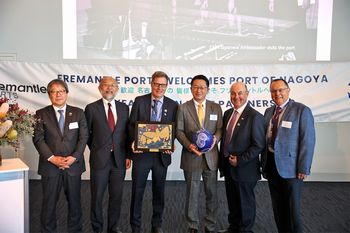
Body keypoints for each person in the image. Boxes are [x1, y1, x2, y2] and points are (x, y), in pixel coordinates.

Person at [33, 79, 88, 233]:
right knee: (49, 204)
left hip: (73, 166)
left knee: (75, 203)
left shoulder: (78, 112)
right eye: (54, 91)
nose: (58, 94)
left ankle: (75, 230)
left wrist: (74, 157)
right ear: (49, 95)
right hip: (50, 167)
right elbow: (38, 139)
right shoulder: (41, 114)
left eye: (61, 91)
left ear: (67, 93)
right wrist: (52, 158)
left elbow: (83, 138)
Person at [262, 79, 316, 233]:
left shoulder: (301, 110)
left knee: (293, 211)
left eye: (280, 90)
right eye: (273, 91)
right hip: (272, 165)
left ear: (288, 90)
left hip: (292, 169)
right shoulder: (268, 112)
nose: (277, 93)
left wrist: (303, 167)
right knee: (278, 208)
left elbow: (308, 141)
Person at [128, 71, 178, 233]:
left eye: (163, 84)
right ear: (151, 84)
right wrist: (134, 140)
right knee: (137, 191)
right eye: (156, 84)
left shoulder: (173, 105)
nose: (159, 87)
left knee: (159, 191)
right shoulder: (139, 101)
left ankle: (157, 224)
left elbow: (174, 128)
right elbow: (131, 125)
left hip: (161, 156)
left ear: (167, 86)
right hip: (142, 155)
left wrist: (172, 142)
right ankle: (135, 225)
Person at [176, 74, 223, 233]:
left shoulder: (215, 107)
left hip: (211, 157)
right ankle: (192, 225)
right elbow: (179, 131)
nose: (198, 90)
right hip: (191, 156)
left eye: (202, 87)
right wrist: (189, 145)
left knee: (212, 193)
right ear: (191, 89)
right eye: (195, 87)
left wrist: (215, 139)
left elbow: (220, 129)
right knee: (192, 194)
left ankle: (210, 225)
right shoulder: (183, 108)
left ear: (208, 90)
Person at [85, 76, 131, 233]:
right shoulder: (91, 108)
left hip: (119, 160)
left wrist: (128, 155)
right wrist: (98, 150)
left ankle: (113, 227)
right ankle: (97, 228)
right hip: (99, 160)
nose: (109, 88)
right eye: (105, 85)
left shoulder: (124, 108)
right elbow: (87, 135)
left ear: (117, 89)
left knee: (116, 197)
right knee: (97, 197)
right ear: (100, 88)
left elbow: (127, 134)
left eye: (113, 85)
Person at [218, 82, 265, 233]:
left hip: (245, 169)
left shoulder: (255, 116)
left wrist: (240, 160)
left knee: (245, 203)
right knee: (233, 201)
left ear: (247, 94)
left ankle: (245, 230)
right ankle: (233, 227)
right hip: (229, 167)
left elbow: (258, 145)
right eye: (233, 93)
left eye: (240, 93)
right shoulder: (227, 113)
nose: (236, 97)